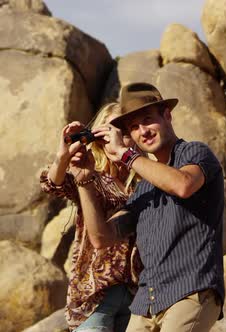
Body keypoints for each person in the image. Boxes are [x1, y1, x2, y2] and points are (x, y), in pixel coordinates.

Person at [77, 82, 225, 332]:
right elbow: (101, 238)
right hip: (146, 303)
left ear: (167, 115)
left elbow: (182, 185)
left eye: (147, 120)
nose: (142, 131)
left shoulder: (196, 153)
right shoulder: (143, 189)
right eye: (134, 127)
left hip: (190, 292)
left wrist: (126, 155)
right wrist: (84, 181)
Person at [40, 102, 142, 332]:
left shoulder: (144, 181)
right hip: (95, 296)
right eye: (110, 129)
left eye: (125, 130)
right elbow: (52, 184)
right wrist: (62, 157)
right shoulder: (90, 176)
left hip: (137, 295)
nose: (117, 136)